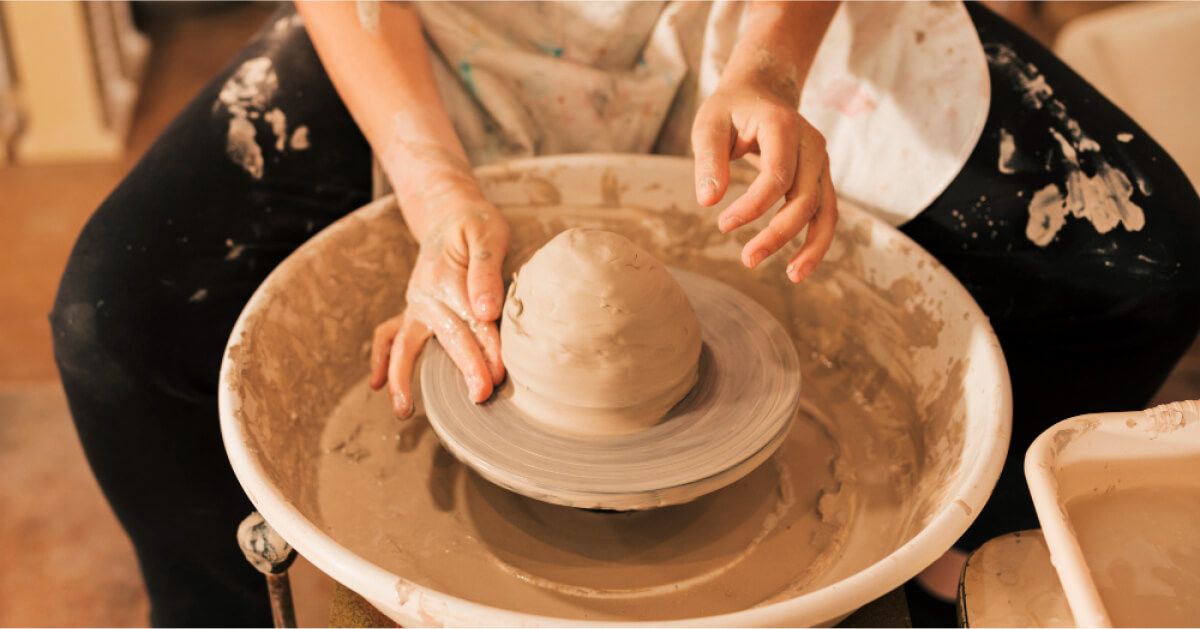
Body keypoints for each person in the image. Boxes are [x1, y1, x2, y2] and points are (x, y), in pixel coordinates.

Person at [50, 1, 1200, 626]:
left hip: (751, 16)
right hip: (447, 26)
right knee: (123, 312)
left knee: (1143, 256)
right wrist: (432, 184)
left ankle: (924, 573)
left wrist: (767, 71)